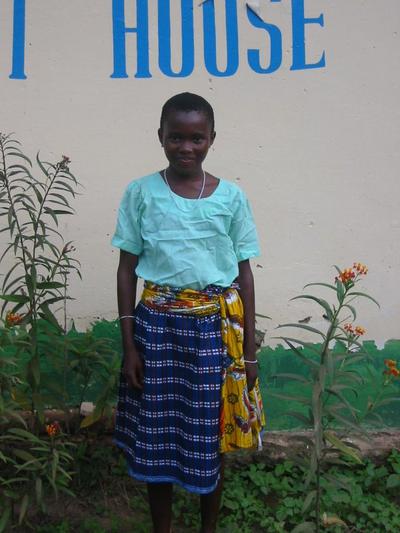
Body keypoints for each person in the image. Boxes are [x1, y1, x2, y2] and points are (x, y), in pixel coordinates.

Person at [112, 92, 265, 533]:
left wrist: (248, 355)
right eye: (175, 137)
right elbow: (126, 271)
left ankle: (207, 528)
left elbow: (245, 276)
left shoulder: (231, 197)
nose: (185, 147)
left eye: (196, 138)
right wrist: (129, 347)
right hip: (155, 331)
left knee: (210, 438)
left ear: (212, 139)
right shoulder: (141, 193)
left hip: (213, 334)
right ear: (160, 136)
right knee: (155, 438)